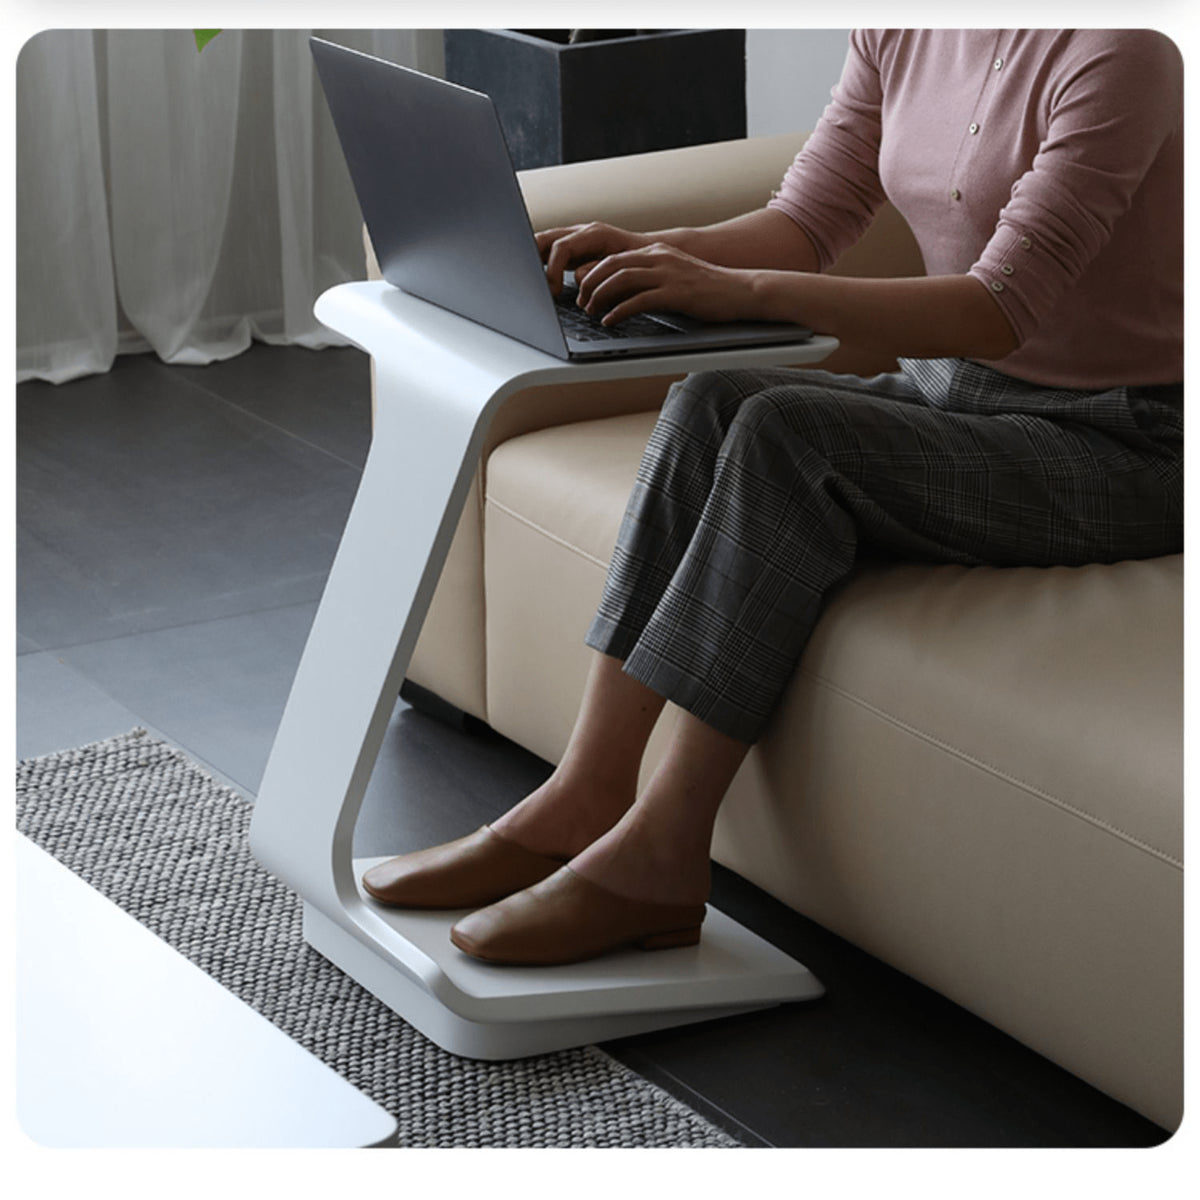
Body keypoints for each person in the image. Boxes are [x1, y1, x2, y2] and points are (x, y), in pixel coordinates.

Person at [362, 29, 1183, 966]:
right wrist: (656, 255)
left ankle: (662, 854)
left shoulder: (1122, 51)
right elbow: (806, 220)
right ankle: (583, 795)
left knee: (788, 438)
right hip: (957, 395)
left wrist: (741, 291)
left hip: (1124, 441)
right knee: (710, 401)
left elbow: (999, 308)